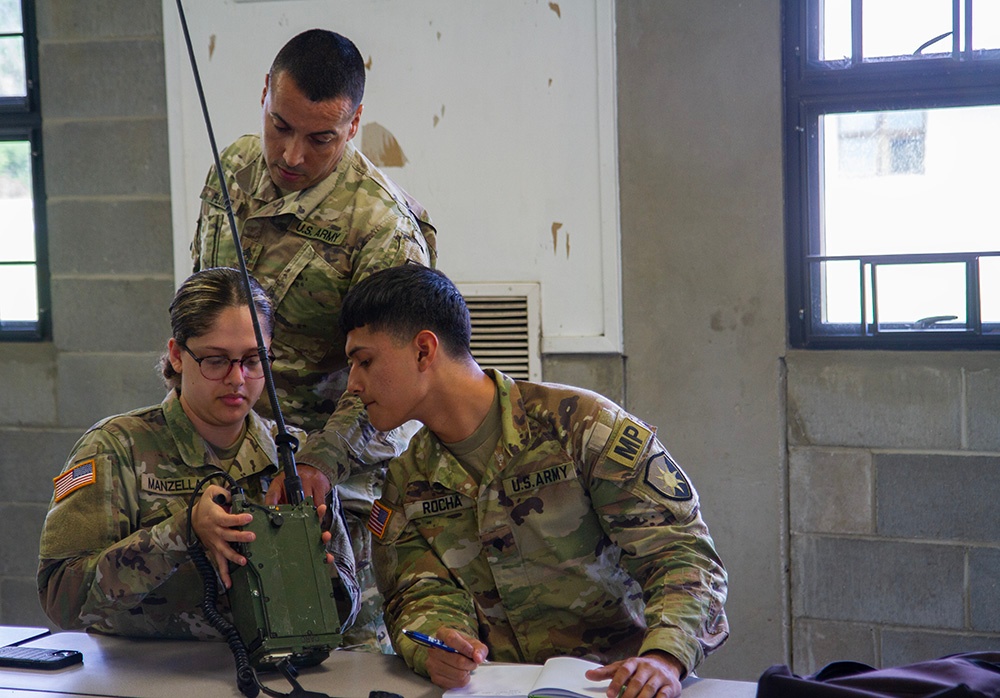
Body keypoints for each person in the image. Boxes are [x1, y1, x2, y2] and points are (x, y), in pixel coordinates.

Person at [338, 265, 730, 698]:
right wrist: (439, 643)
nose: (353, 385)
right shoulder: (407, 481)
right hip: (498, 690)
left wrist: (664, 658)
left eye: (365, 361)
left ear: (424, 351)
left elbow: (682, 556)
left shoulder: (581, 429)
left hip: (618, 686)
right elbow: (418, 595)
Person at [191, 28, 436, 652]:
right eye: (280, 126)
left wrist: (322, 460)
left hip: (340, 468)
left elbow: (387, 380)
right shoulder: (233, 172)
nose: (293, 155)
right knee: (223, 644)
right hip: (239, 451)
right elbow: (202, 304)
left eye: (320, 138)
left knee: (339, 648)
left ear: (353, 126)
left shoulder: (381, 228)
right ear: (265, 95)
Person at [37, 267, 358, 639]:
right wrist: (181, 532)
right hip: (139, 676)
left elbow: (345, 614)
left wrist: (320, 573)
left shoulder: (293, 457)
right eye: (216, 360)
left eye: (253, 360)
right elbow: (61, 598)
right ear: (176, 355)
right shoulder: (115, 447)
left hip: (263, 675)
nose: (237, 379)